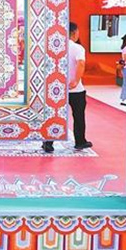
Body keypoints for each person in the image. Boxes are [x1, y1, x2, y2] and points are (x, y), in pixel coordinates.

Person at [43, 22, 92, 153]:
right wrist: (76, 80)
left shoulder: (54, 47)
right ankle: (80, 141)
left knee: (54, 116)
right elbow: (81, 63)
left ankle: (48, 143)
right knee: (78, 115)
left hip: (56, 89)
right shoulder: (78, 48)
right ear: (74, 33)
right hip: (75, 89)